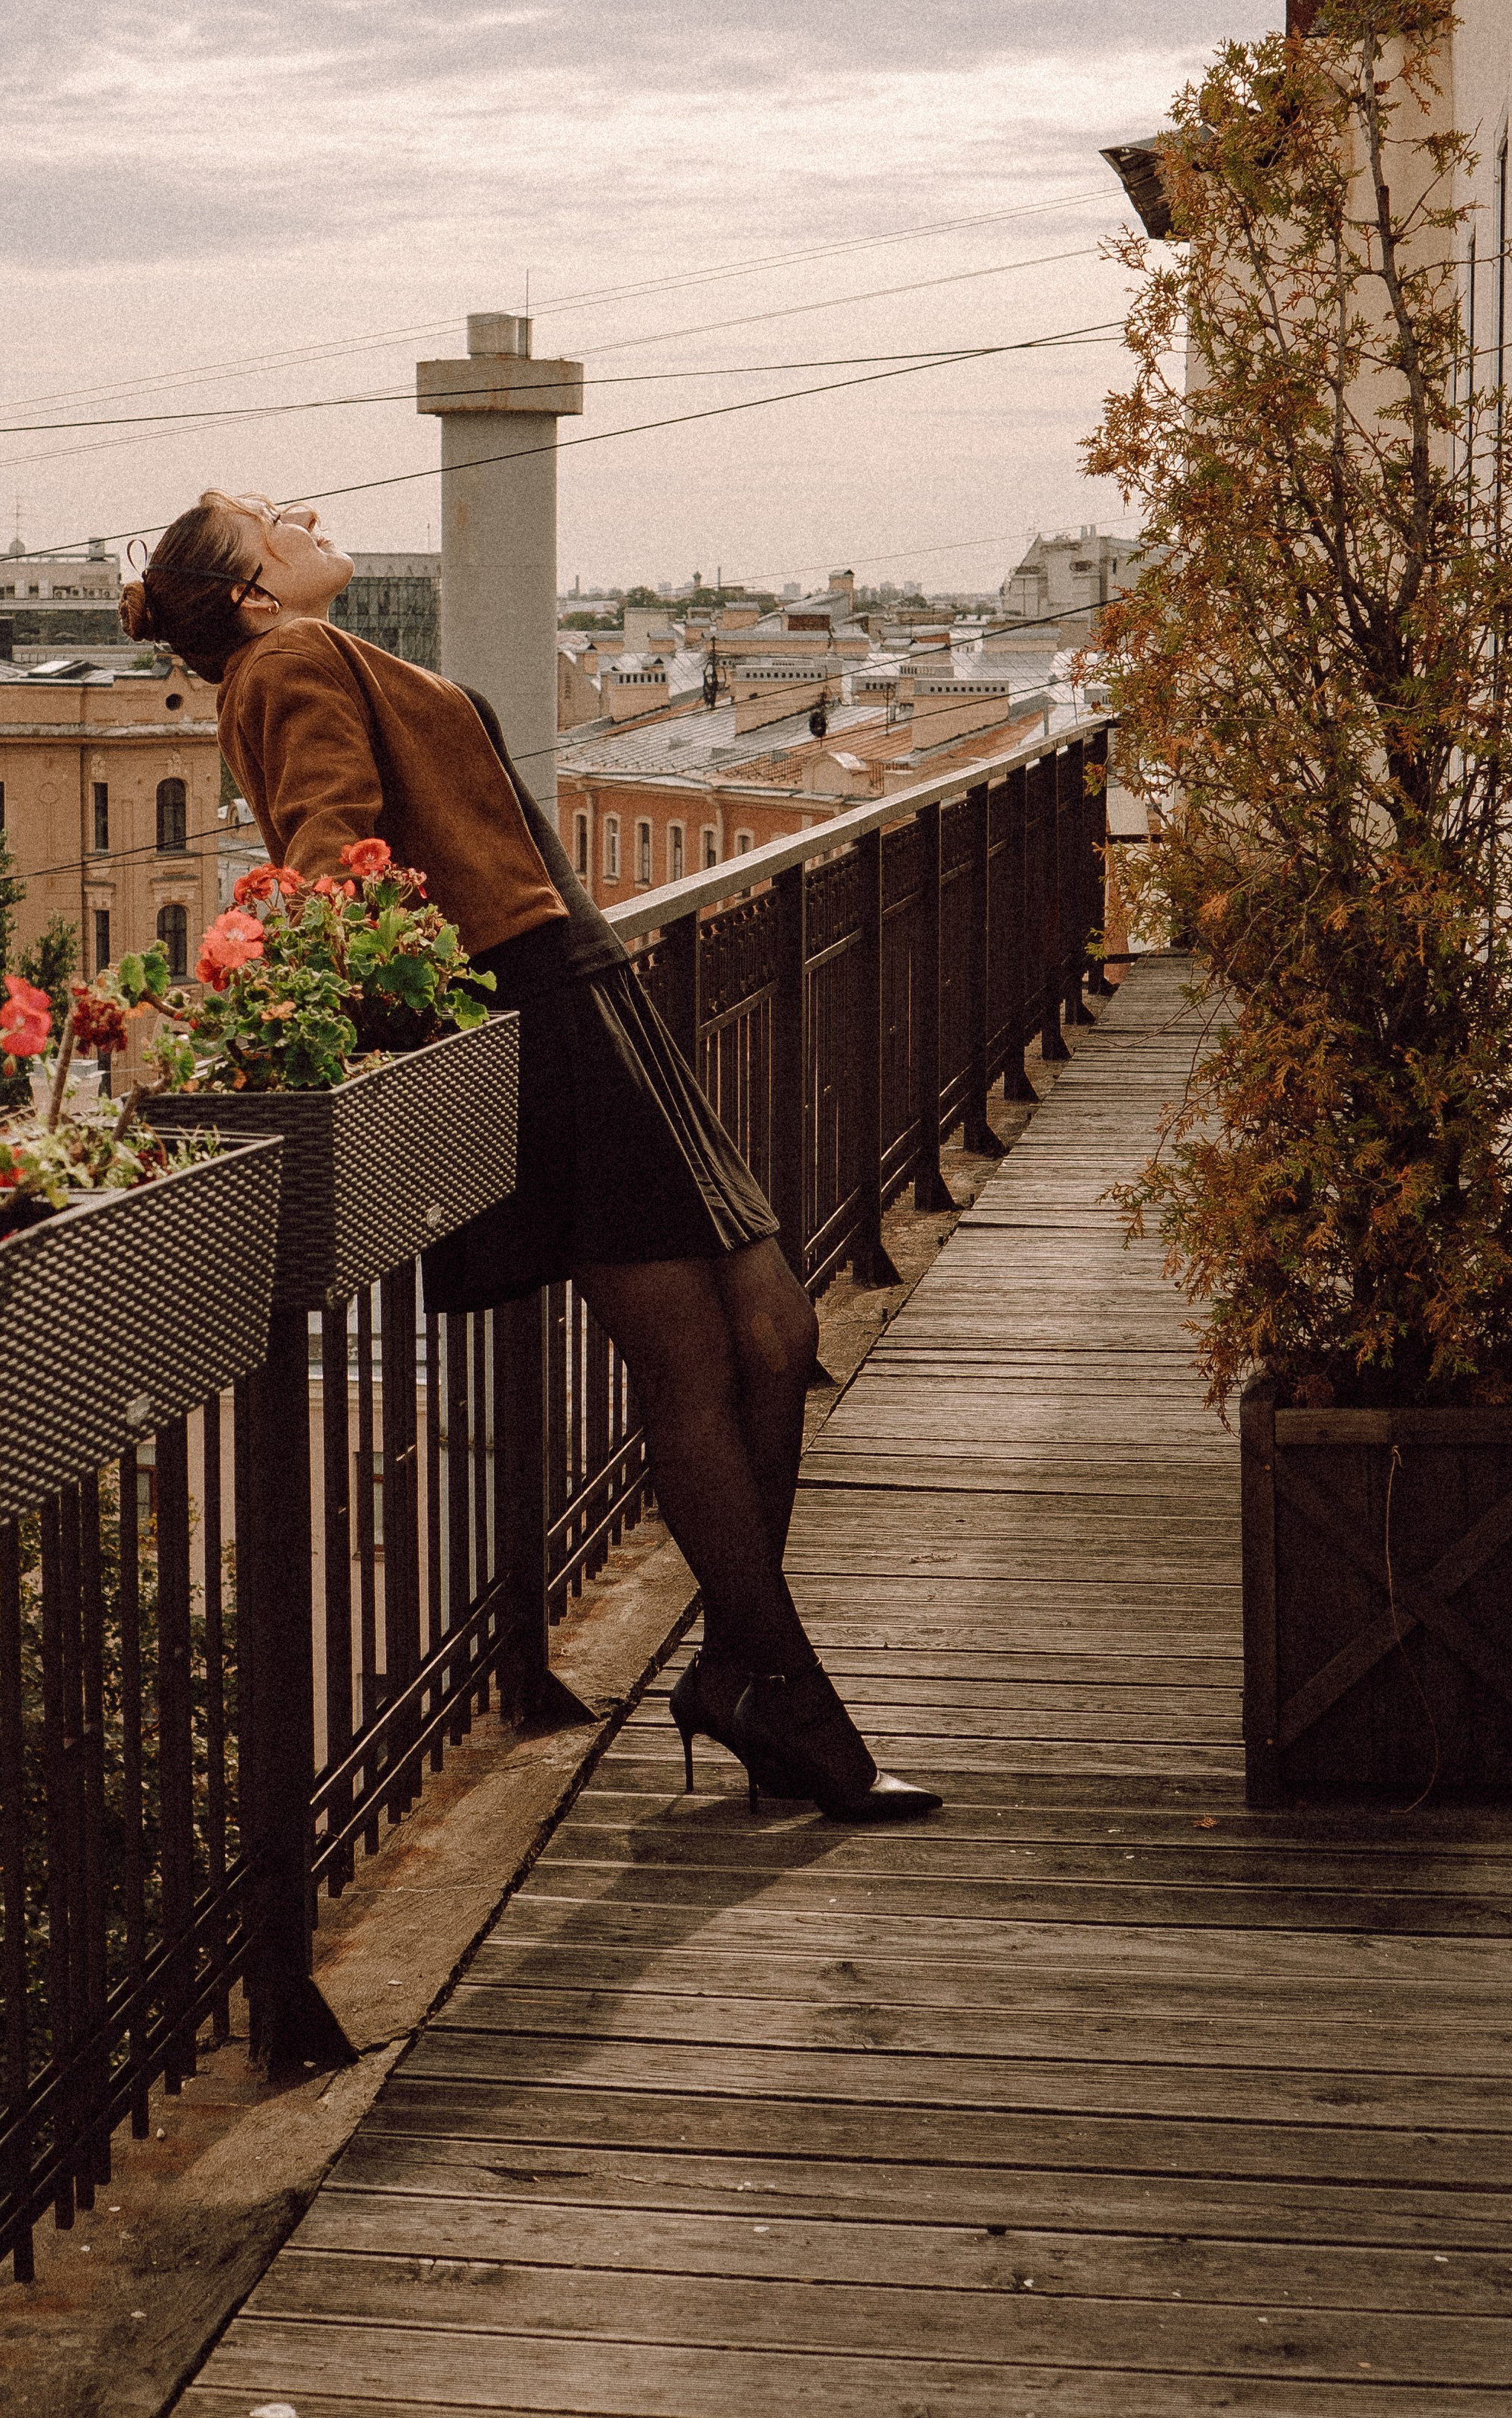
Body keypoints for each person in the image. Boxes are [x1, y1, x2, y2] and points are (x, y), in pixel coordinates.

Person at [120, 489, 939, 1822]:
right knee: (699, 1359)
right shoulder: (292, 658)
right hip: (539, 1007)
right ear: (254, 594)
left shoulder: (303, 653)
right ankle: (788, 1702)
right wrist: (291, 998)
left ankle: (740, 1670)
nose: (308, 512)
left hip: (578, 988)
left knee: (774, 1332)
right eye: (274, 518)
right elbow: (326, 850)